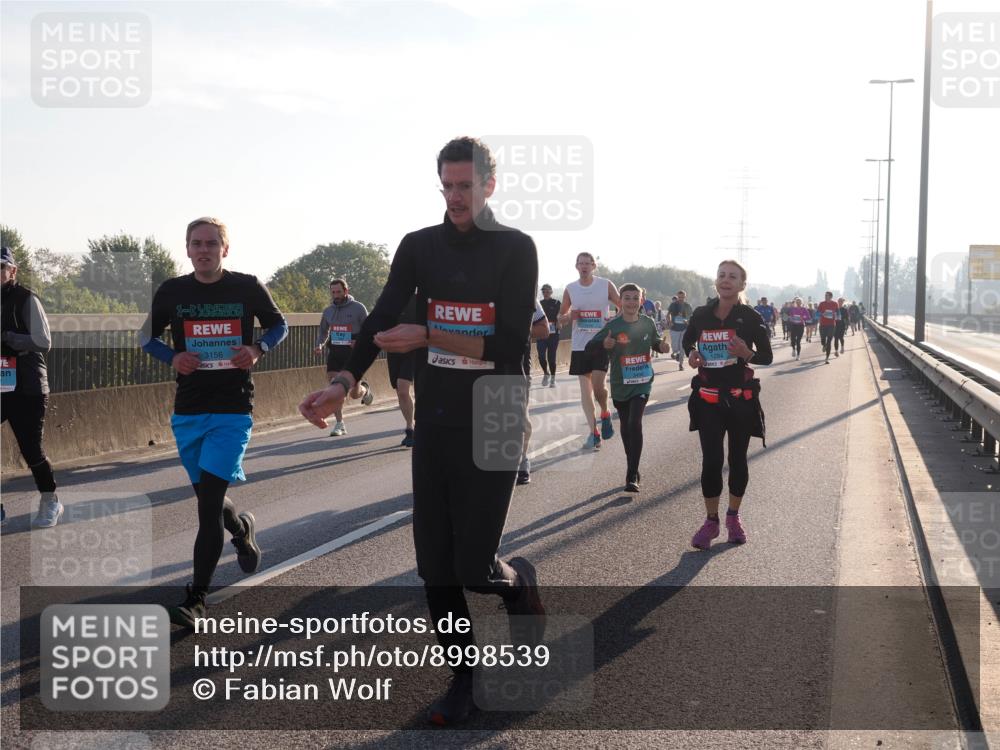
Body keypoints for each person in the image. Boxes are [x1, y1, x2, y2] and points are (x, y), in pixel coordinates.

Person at [298, 136, 545, 726]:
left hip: (497, 407)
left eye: (467, 185)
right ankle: (464, 681)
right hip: (437, 414)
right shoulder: (419, 246)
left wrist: (432, 335)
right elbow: (382, 314)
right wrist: (342, 381)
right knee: (434, 565)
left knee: (474, 566)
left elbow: (512, 342)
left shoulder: (515, 248)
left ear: (490, 184)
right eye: (447, 186)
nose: (456, 197)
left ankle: (518, 585)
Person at [140, 217, 288, 628]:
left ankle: (197, 598)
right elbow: (146, 337)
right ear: (187, 250)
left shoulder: (246, 286)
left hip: (232, 409)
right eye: (196, 244)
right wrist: (173, 357)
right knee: (210, 496)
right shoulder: (173, 291)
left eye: (211, 243)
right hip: (188, 411)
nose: (203, 250)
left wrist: (259, 347)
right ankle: (241, 528)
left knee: (206, 510)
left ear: (226, 248)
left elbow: (280, 324)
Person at [683, 260, 771, 550]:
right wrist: (692, 353)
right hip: (708, 400)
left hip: (740, 400)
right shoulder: (701, 314)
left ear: (742, 284)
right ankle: (711, 522)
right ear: (716, 281)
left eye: (733, 276)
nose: (726, 280)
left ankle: (733, 516)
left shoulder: (750, 316)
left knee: (736, 459)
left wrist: (747, 353)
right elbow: (687, 342)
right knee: (711, 461)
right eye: (722, 275)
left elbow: (766, 357)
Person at [585, 283, 670, 492]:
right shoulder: (613, 326)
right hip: (620, 383)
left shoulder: (648, 322)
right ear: (620, 301)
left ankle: (632, 473)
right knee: (625, 426)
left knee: (635, 423)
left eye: (635, 298)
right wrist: (603, 345)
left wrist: (662, 346)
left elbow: (655, 341)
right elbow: (590, 346)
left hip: (642, 382)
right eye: (627, 298)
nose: (631, 302)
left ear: (641, 301)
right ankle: (632, 465)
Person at [1, 246, 62, 528]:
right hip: (1, 384)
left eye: (1, 268)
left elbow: (43, 341)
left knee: (31, 450)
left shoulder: (26, 299)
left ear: (12, 271)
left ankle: (51, 501)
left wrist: (10, 338)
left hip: (28, 387)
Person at [558, 253, 620, 450]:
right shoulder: (571, 289)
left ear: (594, 266)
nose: (584, 267)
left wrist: (614, 321)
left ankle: (605, 411)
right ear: (576, 266)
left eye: (587, 263)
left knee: (598, 386)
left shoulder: (605, 285)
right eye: (580, 263)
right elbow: (560, 318)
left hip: (601, 342)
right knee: (586, 391)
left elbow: (622, 306)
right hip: (579, 345)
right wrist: (569, 315)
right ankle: (594, 433)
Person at [313, 278, 374, 436]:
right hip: (335, 352)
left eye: (338, 292)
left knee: (354, 394)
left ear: (346, 291)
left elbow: (368, 330)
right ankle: (340, 424)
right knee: (334, 388)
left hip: (353, 353)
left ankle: (364, 390)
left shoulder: (358, 308)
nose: (336, 295)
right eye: (333, 292)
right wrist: (319, 345)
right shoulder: (328, 311)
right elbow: (323, 332)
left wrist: (358, 341)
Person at [518, 300, 553, 485]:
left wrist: (512, 331)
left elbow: (544, 329)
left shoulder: (525, 294)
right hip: (473, 365)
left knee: (519, 418)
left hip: (516, 366)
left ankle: (522, 458)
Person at [386, 294, 419, 447]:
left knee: (403, 389)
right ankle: (410, 423)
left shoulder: (420, 298)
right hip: (393, 351)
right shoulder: (388, 299)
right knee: (400, 392)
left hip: (413, 350)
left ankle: (410, 429)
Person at [537, 284, 561, 387]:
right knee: (541, 356)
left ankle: (553, 378)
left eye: (547, 291)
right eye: (543, 291)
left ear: (551, 292)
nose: (545, 293)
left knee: (551, 357)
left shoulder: (556, 303)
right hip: (541, 333)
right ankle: (546, 373)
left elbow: (562, 314)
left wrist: (559, 321)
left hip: (553, 334)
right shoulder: (539, 304)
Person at [667, 290, 693, 371]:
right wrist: (670, 321)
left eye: (682, 297)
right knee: (675, 346)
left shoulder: (687, 306)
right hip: (674, 328)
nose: (681, 298)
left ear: (685, 297)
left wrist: (688, 321)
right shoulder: (673, 305)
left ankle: (680, 364)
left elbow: (691, 316)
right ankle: (675, 353)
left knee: (682, 347)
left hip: (684, 328)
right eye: (679, 297)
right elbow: (668, 314)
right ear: (677, 296)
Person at [817, 291, 839, 364]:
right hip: (823, 324)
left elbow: (838, 313)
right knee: (823, 339)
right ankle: (824, 345)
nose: (825, 296)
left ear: (830, 296)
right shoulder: (821, 304)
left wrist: (836, 316)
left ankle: (827, 358)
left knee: (829, 341)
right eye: (825, 295)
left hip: (831, 325)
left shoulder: (835, 304)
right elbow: (817, 313)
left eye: (827, 295)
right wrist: (822, 313)